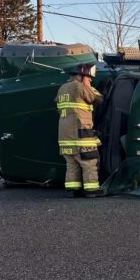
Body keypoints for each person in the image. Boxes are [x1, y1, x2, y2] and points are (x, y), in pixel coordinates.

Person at [55, 63, 103, 197]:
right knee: (89, 162)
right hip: (80, 131)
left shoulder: (62, 88)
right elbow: (97, 98)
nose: (91, 80)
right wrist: (89, 87)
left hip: (65, 134)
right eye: (89, 78)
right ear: (82, 76)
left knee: (72, 163)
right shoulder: (79, 86)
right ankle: (91, 190)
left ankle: (73, 190)